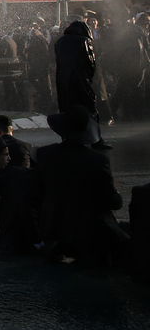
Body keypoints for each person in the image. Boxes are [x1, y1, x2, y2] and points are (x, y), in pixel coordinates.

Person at [36, 106, 129, 265]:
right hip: (89, 231)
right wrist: (117, 195)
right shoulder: (98, 160)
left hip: (54, 229)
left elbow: (38, 191)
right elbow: (112, 201)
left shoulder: (44, 154)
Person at [54, 19, 108, 149]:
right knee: (90, 109)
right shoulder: (84, 41)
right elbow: (90, 63)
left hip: (63, 82)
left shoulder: (60, 42)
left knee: (67, 110)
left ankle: (68, 139)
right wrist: (90, 78)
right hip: (81, 81)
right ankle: (96, 140)